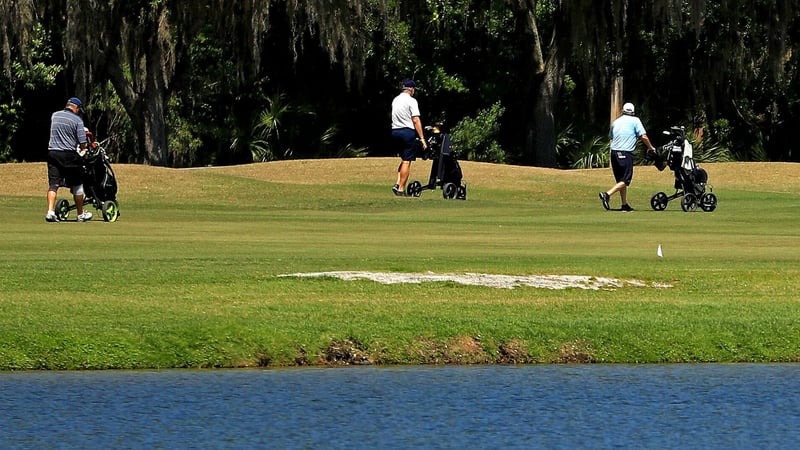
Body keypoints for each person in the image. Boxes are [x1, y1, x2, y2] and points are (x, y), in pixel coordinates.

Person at [599, 102, 656, 211]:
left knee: (621, 180)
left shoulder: (616, 121)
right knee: (626, 180)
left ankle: (624, 204)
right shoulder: (635, 120)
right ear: (633, 112)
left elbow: (610, 137)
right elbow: (643, 136)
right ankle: (607, 194)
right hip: (625, 153)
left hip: (614, 153)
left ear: (623, 111)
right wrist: (650, 147)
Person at [45, 97, 93, 222]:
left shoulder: (54, 116)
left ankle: (50, 212)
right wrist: (84, 148)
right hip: (69, 155)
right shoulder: (77, 120)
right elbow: (83, 144)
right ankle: (80, 214)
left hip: (53, 153)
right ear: (76, 108)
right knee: (77, 184)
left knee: (53, 185)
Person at [390, 79, 428, 196]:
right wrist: (422, 138)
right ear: (411, 89)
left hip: (395, 132)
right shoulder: (411, 101)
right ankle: (401, 189)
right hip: (407, 132)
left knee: (403, 159)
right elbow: (415, 119)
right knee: (407, 161)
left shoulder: (396, 99)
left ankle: (397, 183)